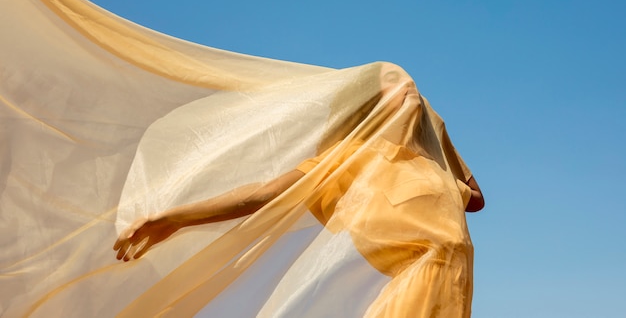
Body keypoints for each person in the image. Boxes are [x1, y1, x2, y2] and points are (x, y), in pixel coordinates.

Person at [114, 62, 484, 317]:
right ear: (370, 104)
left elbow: (476, 199)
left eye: (409, 81)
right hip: (412, 290)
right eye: (392, 80)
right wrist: (178, 217)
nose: (407, 84)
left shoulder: (433, 169)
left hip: (453, 291)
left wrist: (437, 133)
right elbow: (263, 193)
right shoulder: (353, 160)